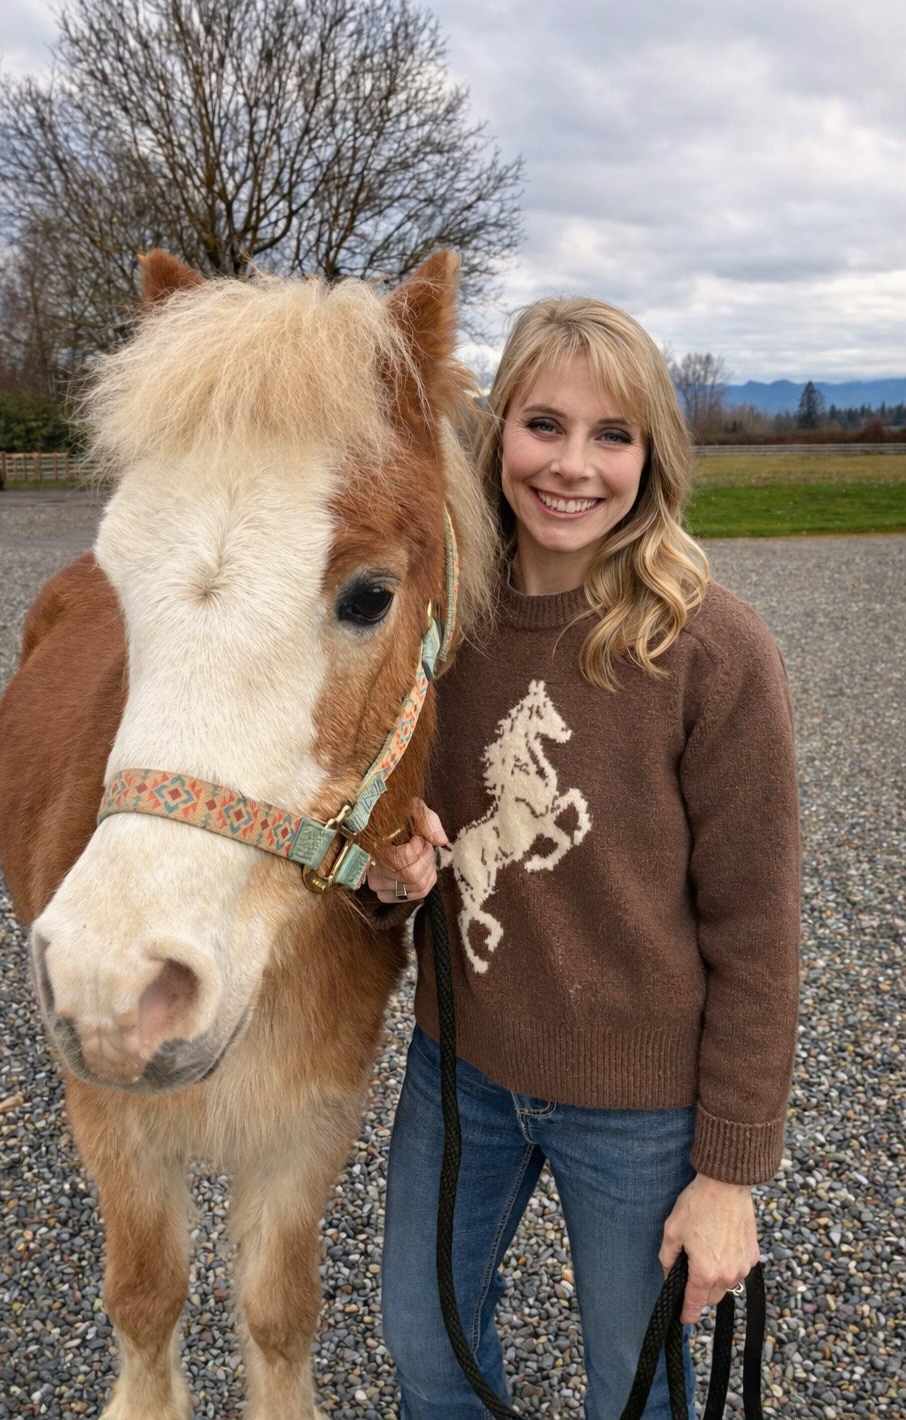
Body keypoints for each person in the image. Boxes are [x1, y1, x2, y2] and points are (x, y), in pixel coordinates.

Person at [364, 297, 800, 1420]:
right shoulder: (434, 627)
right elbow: (387, 842)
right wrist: (380, 884)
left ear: (650, 457)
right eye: (543, 425)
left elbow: (756, 932)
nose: (572, 465)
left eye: (612, 435)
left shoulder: (712, 650)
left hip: (641, 1108)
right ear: (496, 431)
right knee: (426, 1343)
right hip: (458, 1069)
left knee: (636, 1385)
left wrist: (730, 1175)